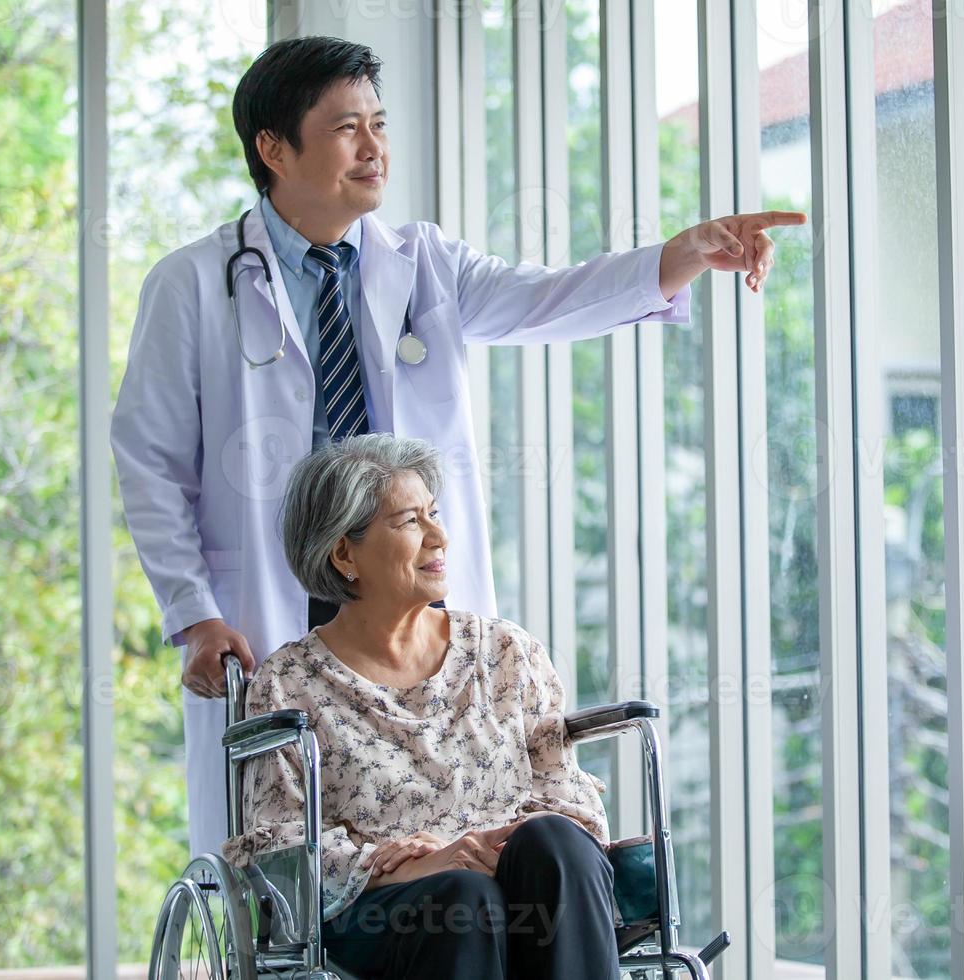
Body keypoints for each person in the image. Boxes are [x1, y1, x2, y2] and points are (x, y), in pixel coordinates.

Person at [109, 33, 804, 859]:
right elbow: (150, 461)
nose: (375, 149)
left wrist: (680, 256)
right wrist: (195, 616)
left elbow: (544, 299)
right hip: (274, 605)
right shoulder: (191, 284)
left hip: (405, 587)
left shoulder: (423, 262)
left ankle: (449, 912)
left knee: (450, 806)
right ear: (273, 147)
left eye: (380, 123)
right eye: (345, 129)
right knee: (288, 844)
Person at [223, 433, 621, 978]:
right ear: (345, 553)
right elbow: (282, 847)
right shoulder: (289, 683)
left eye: (434, 514)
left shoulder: (505, 653)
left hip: (516, 879)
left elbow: (570, 800)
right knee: (461, 898)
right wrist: (414, 865)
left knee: (553, 841)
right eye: (411, 522)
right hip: (385, 911)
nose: (439, 536)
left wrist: (489, 848)